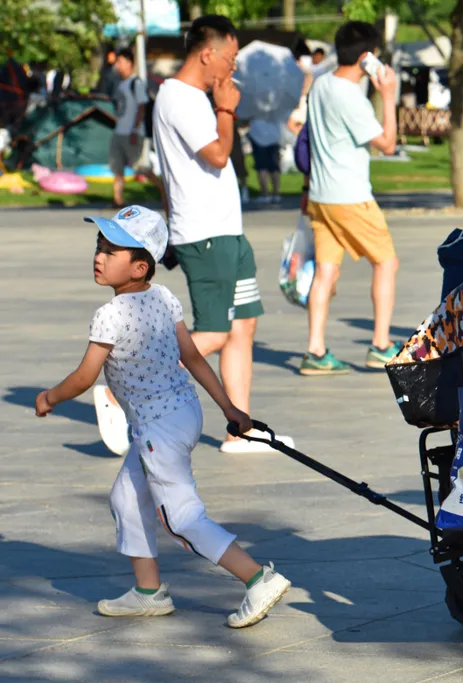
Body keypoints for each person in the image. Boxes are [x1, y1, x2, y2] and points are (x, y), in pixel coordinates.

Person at [35, 206, 291, 627]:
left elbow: (84, 377)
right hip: (181, 414)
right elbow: (191, 357)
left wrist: (50, 397)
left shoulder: (111, 315)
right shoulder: (163, 297)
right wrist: (228, 407)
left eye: (110, 250)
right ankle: (149, 592)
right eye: (99, 247)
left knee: (180, 515)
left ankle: (258, 577)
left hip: (157, 429)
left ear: (139, 266)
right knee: (127, 499)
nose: (98, 256)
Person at [151, 14, 291, 453]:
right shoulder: (182, 98)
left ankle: (241, 427)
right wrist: (226, 109)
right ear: (207, 53)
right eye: (229, 58)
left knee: (243, 325)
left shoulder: (190, 98)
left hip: (226, 230)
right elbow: (216, 154)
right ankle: (124, 390)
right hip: (206, 233)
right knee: (212, 331)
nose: (232, 69)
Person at [300, 21, 400, 375]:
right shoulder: (349, 96)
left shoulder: (322, 84)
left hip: (321, 196)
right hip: (350, 196)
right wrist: (388, 95)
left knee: (326, 270)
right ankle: (381, 345)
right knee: (386, 262)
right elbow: (387, 144)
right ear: (367, 57)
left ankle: (315, 350)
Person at [109, 48, 149, 209]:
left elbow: (141, 106)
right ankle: (117, 199)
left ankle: (163, 190)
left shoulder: (136, 82)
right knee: (117, 167)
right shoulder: (121, 84)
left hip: (132, 132)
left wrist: (135, 129)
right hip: (119, 131)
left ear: (129, 63)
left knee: (142, 168)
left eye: (120, 62)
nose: (118, 66)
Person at [247, 114, 282, 203]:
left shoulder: (254, 102)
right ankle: (276, 193)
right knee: (274, 166)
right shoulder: (276, 102)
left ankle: (265, 193)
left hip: (258, 136)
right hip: (274, 135)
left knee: (262, 167)